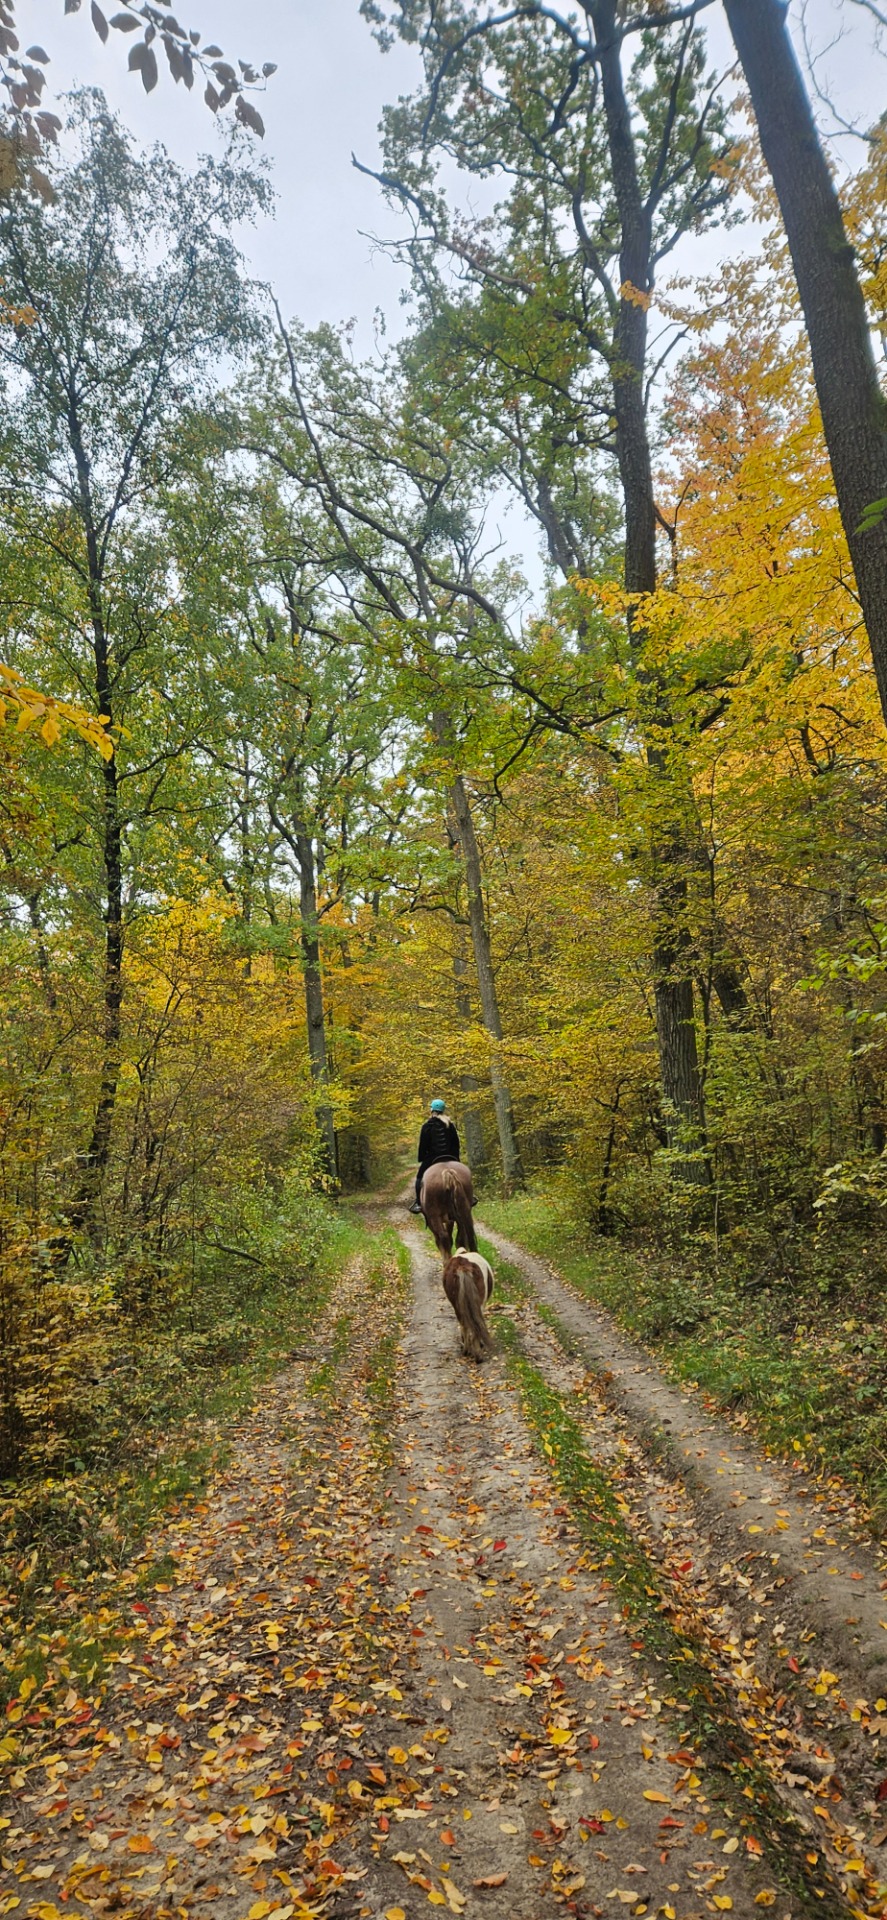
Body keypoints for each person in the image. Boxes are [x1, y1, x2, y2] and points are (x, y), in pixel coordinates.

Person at [409, 1098, 460, 1214]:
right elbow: (456, 1144)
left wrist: (422, 1158)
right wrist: (456, 1159)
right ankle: (469, 1197)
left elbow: (423, 1146)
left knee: (419, 1178)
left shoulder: (427, 1126)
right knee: (462, 1175)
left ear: (432, 1110)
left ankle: (418, 1203)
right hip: (451, 1157)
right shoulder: (450, 1125)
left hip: (433, 1159)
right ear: (443, 1110)